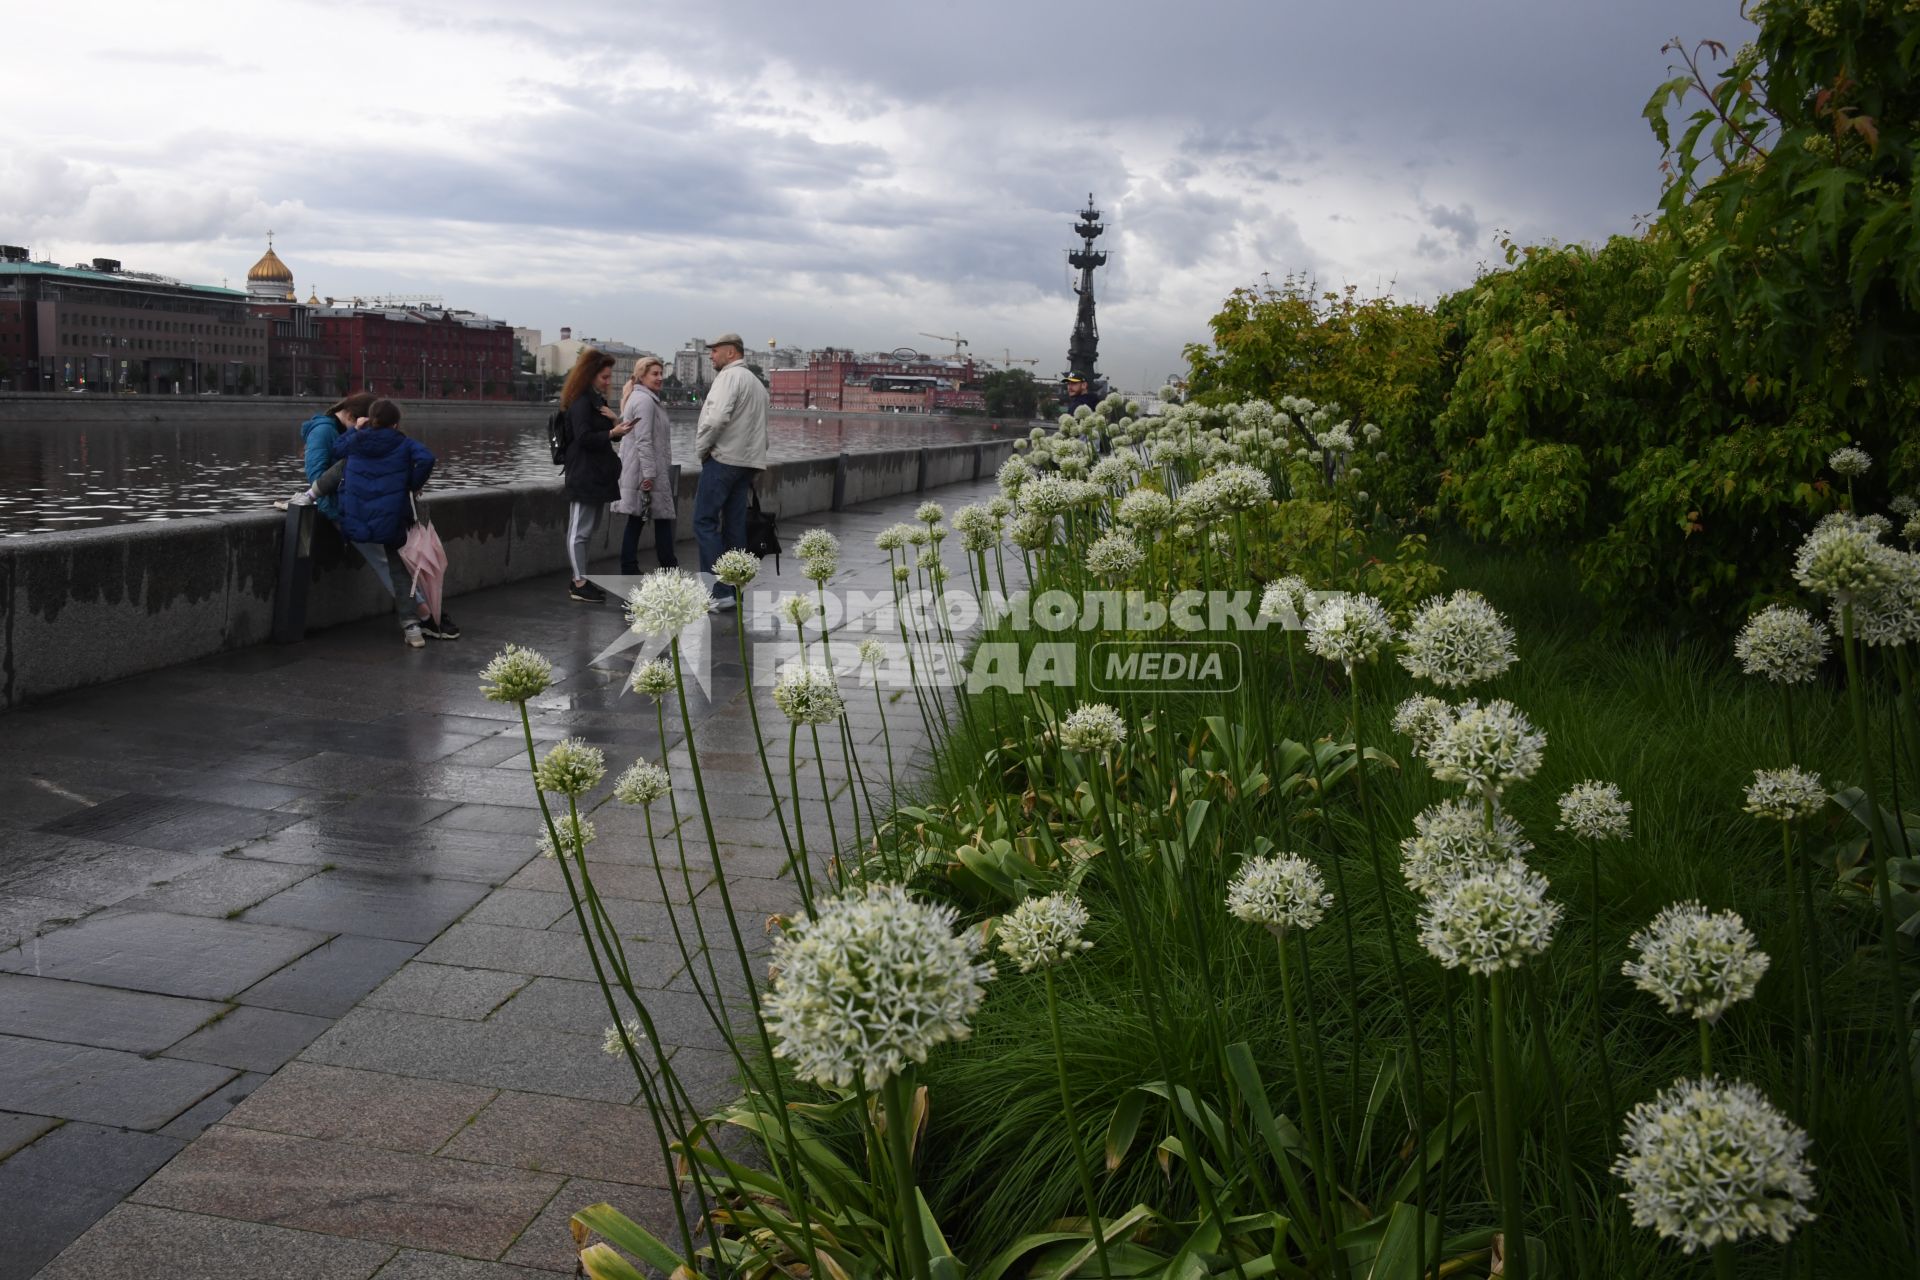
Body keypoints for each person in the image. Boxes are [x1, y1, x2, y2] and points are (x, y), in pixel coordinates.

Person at [331, 398, 456, 647]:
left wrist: (356, 428)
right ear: (396, 424)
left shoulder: (356, 440)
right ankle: (411, 627)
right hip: (390, 520)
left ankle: (417, 620)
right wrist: (411, 483)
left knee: (391, 566)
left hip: (356, 519)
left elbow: (336, 449)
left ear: (370, 419)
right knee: (399, 571)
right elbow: (427, 458)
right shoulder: (403, 443)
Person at [691, 331, 769, 608]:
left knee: (704, 521)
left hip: (723, 459)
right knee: (735, 527)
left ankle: (719, 591)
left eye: (715, 350)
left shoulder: (728, 377)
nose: (711, 354)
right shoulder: (758, 384)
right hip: (746, 464)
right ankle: (735, 591)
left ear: (731, 352)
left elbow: (715, 419)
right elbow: (762, 431)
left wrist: (701, 450)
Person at [559, 348, 633, 602]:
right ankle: (578, 582)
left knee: (586, 531)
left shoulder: (595, 401)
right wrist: (612, 433)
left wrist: (615, 424)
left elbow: (599, 437)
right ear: (590, 376)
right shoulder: (581, 402)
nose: (608, 381)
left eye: (609, 376)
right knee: (578, 531)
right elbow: (583, 437)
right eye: (604, 377)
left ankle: (581, 578)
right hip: (583, 474)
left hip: (595, 475)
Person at [614, 356, 677, 573]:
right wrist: (650, 475)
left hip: (647, 470)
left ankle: (641, 568)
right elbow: (643, 440)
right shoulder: (644, 401)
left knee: (645, 521)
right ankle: (665, 568)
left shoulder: (645, 398)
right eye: (655, 374)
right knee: (650, 521)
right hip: (646, 472)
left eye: (661, 373)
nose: (660, 378)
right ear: (642, 376)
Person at [285, 391, 375, 515]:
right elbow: (318, 480)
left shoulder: (344, 432)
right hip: (338, 511)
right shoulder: (323, 432)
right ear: (350, 416)